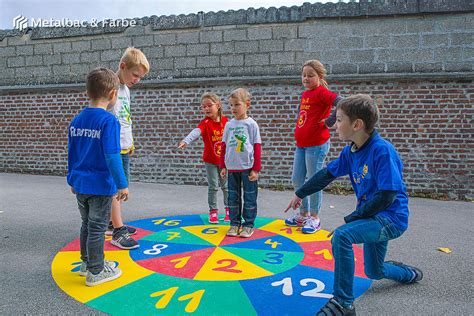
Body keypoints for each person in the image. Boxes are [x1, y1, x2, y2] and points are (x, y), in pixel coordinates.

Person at [285, 94, 423, 315]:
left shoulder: (382, 150)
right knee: (374, 271)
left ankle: (343, 302)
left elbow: (387, 195)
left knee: (342, 236)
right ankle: (407, 274)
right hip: (373, 217)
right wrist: (300, 193)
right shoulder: (351, 151)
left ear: (357, 124)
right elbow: (326, 174)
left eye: (339, 120)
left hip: (391, 219)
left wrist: (353, 218)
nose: (335, 125)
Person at [67, 68, 128, 286]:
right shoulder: (109, 121)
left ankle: (87, 262)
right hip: (101, 186)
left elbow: (72, 153)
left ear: (87, 92)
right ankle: (96, 270)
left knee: (86, 224)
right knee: (97, 228)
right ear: (113, 94)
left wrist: (71, 179)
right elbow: (112, 156)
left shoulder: (76, 120)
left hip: (81, 184)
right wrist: (122, 184)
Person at [285, 60, 343, 234]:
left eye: (311, 75)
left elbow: (342, 102)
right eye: (304, 75)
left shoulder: (321, 93)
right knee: (297, 178)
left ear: (319, 76)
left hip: (316, 146)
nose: (306, 78)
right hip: (301, 145)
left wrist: (330, 121)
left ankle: (315, 217)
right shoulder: (305, 94)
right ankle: (302, 214)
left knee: (313, 180)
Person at [106, 47, 150, 250]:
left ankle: (112, 222)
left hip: (124, 146)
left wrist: (130, 142)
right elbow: (106, 116)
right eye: (135, 75)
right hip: (112, 148)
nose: (137, 80)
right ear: (123, 66)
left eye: (140, 77)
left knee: (122, 187)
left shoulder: (126, 90)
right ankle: (118, 231)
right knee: (117, 189)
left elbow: (126, 119)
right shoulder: (110, 87)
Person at [178, 92, 229, 224]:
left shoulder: (226, 121)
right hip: (210, 160)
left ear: (217, 105)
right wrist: (186, 141)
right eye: (203, 107)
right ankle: (213, 212)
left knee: (226, 186)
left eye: (209, 105)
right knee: (213, 186)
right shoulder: (205, 123)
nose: (206, 109)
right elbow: (196, 132)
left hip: (224, 161)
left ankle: (230, 210)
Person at [220, 88, 261, 238]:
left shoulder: (251, 124)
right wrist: (223, 166)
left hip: (247, 168)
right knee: (233, 197)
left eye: (237, 104)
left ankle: (248, 224)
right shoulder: (229, 125)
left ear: (247, 104)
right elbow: (224, 146)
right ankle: (234, 223)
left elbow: (256, 147)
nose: (233, 108)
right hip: (232, 168)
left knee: (249, 196)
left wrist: (255, 169)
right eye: (231, 105)